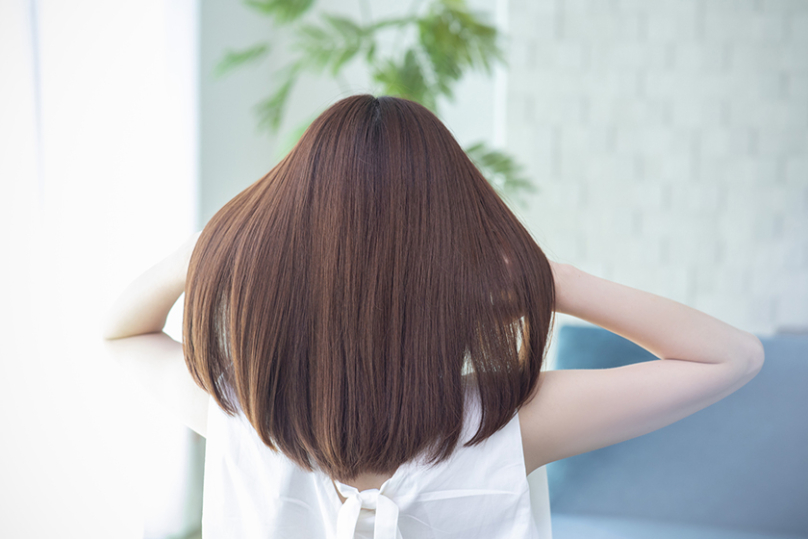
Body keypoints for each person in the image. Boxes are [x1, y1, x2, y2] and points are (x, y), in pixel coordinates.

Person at [101, 94, 765, 539]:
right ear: (456, 263)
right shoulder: (507, 423)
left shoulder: (240, 413)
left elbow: (123, 330)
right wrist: (552, 280)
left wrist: (217, 245)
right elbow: (732, 356)